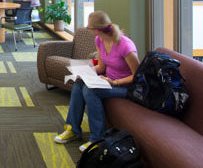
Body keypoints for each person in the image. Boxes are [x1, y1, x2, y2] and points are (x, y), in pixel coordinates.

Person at [54, 11, 139, 152]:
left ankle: (97, 139)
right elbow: (101, 66)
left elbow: (137, 76)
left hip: (125, 87)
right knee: (79, 83)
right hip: (107, 80)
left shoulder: (125, 46)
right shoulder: (99, 40)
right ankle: (73, 129)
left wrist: (115, 82)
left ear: (98, 28)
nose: (89, 30)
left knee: (90, 90)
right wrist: (84, 72)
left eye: (89, 28)